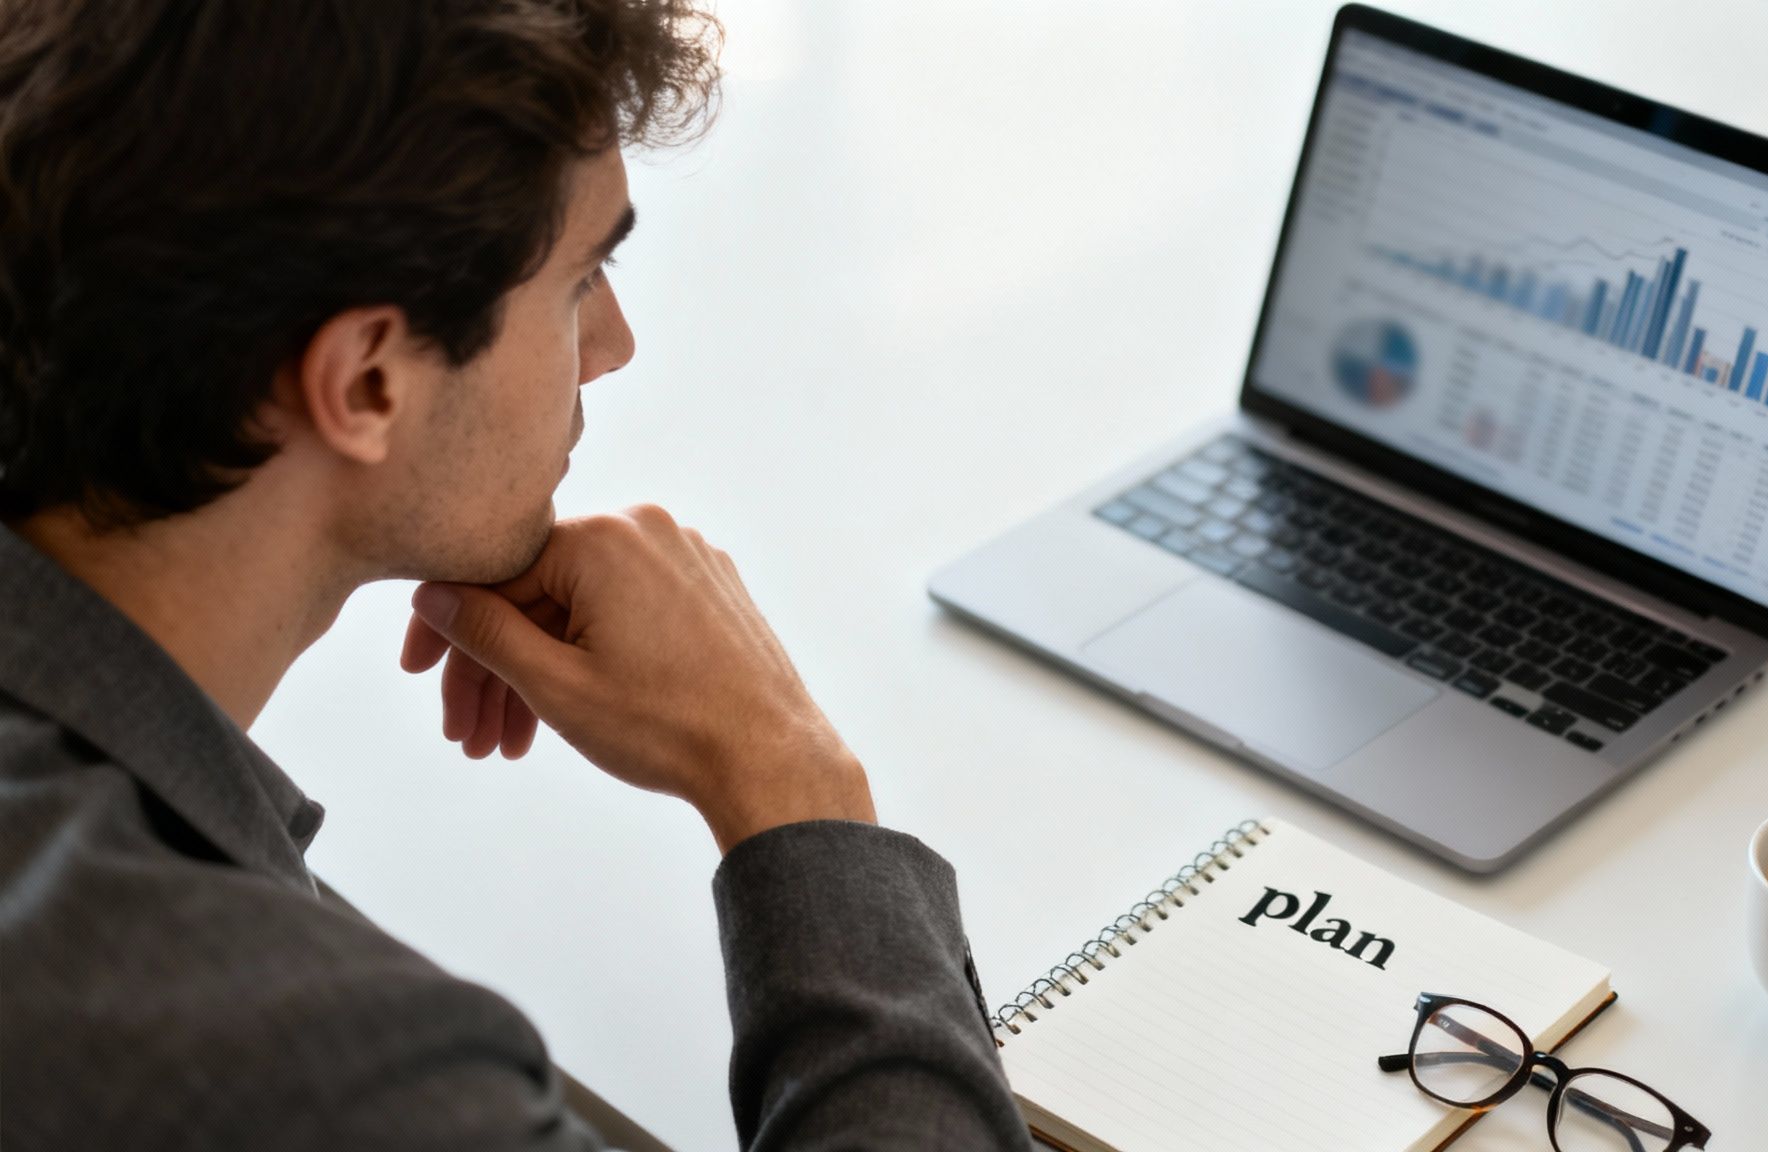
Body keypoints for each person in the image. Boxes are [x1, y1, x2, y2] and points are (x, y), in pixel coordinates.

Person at [0, 2, 1031, 1148]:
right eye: (582, 277)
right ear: (367, 381)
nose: (613, 345)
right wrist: (791, 783)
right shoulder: (313, 1067)